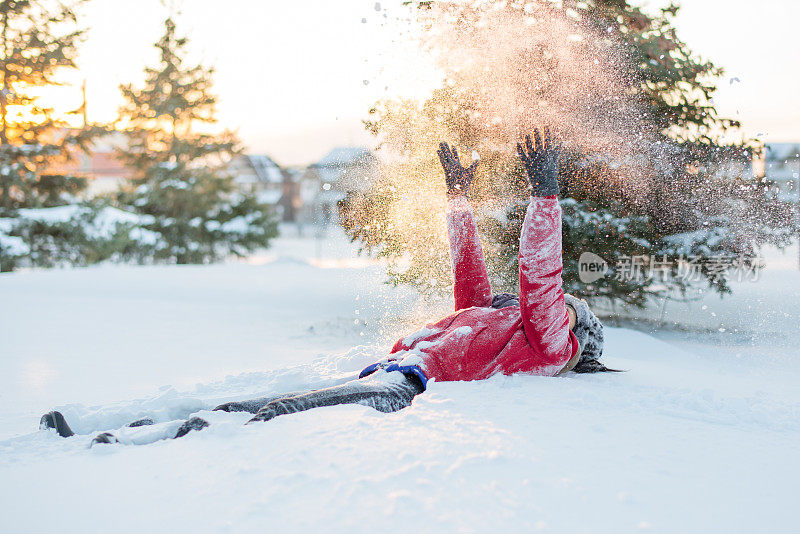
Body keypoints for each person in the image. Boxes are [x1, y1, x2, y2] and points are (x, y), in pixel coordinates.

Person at [40, 128, 615, 446]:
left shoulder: (548, 343)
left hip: (405, 387)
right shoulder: (496, 320)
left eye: (565, 310)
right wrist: (458, 198)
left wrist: (545, 201)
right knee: (256, 408)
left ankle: (134, 447)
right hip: (394, 371)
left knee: (272, 417)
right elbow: (470, 271)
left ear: (570, 329)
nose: (543, 307)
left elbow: (540, 283)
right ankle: (132, 430)